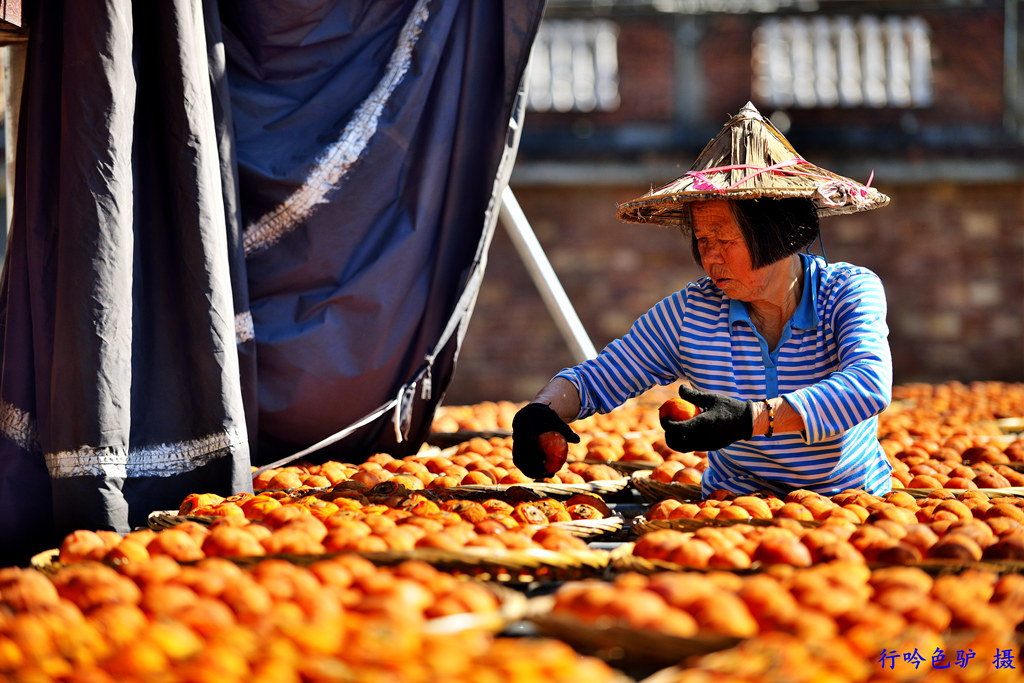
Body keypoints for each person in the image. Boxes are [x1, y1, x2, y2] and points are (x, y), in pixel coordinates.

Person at [512, 102, 894, 497]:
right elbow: (597, 378)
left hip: (848, 506)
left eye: (726, 240)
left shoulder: (846, 292)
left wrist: (752, 418)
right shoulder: (689, 314)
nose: (711, 256)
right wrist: (543, 411)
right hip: (733, 509)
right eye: (702, 240)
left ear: (782, 237)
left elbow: (868, 385)